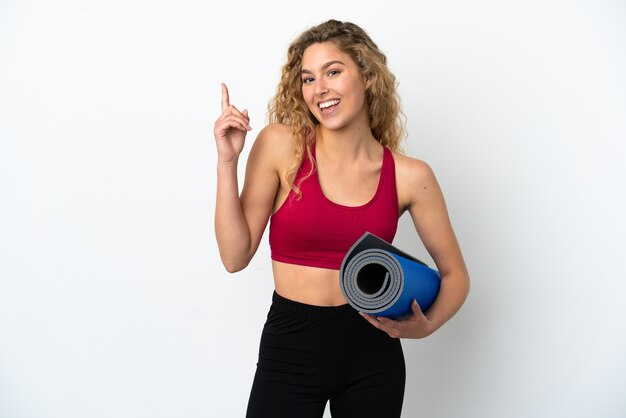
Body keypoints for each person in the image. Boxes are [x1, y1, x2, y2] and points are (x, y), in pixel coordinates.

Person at [214, 19, 470, 418]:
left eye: (333, 71)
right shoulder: (282, 147)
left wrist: (427, 325)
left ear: (366, 76)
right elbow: (234, 256)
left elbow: (456, 275)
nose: (320, 90)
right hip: (290, 343)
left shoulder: (410, 176)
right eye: (309, 78)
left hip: (372, 350)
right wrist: (227, 162)